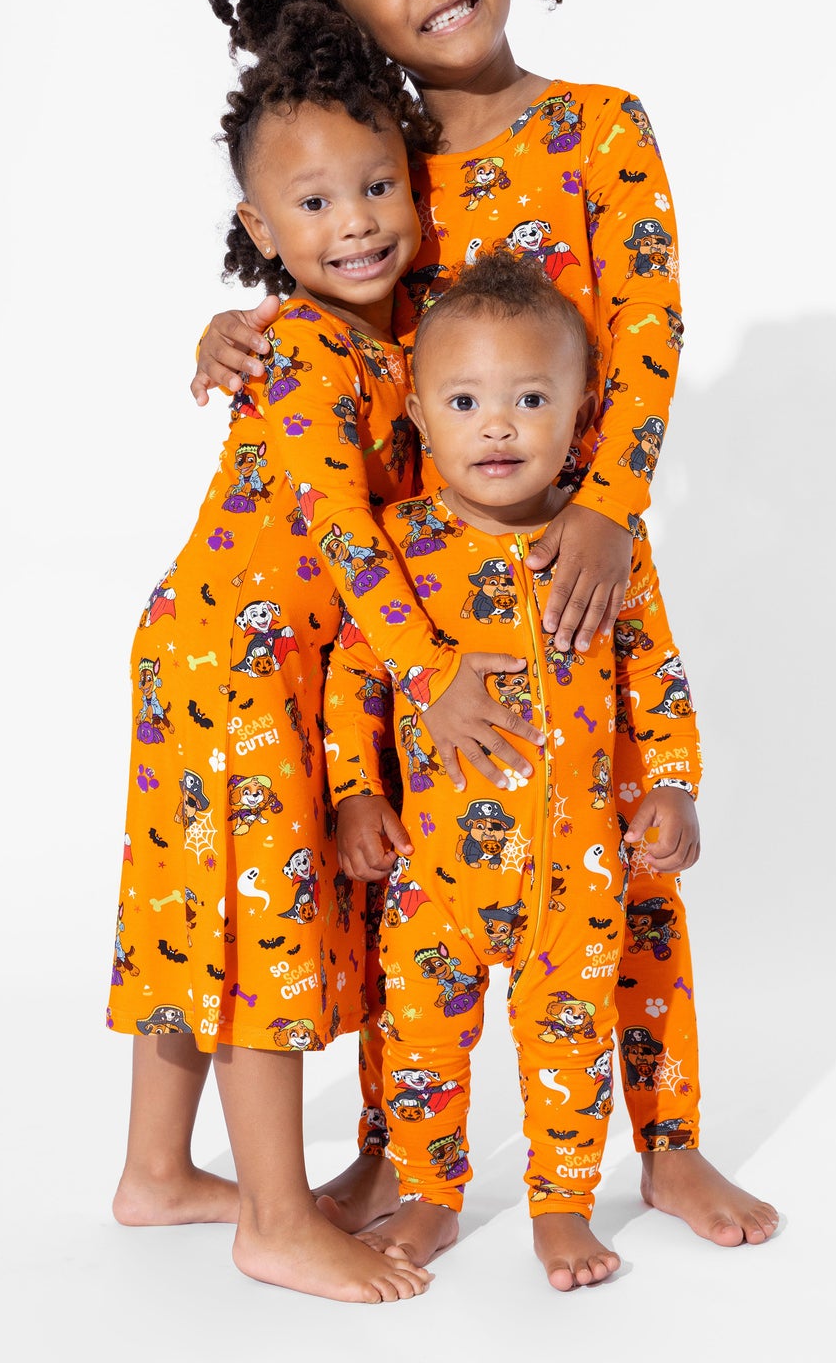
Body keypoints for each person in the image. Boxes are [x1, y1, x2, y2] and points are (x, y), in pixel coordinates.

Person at [196, 0, 777, 1247]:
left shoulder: (602, 127)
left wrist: (610, 507)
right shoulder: (382, 162)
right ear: (350, 15)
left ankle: (669, 1147)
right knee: (412, 889)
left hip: (579, 549)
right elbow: (328, 287)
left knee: (628, 872)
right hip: (424, 580)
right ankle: (410, 1159)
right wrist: (231, 329)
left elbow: (649, 329)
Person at [106, 2, 483, 1303]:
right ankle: (274, 1216)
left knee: (193, 915)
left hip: (222, 656)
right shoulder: (313, 347)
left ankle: (157, 1173)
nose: (358, 222)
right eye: (315, 204)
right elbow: (339, 533)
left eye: (378, 187)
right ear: (262, 233)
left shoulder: (387, 341)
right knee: (256, 926)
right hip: (235, 667)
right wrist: (431, 670)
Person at [325, 252, 705, 1290]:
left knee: (567, 1042)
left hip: (575, 868)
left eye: (530, 399)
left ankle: (563, 1207)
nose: (497, 426)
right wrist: (356, 794)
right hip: (432, 869)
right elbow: (355, 677)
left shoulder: (608, 548)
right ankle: (427, 1194)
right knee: (418, 1041)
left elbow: (655, 673)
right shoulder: (400, 549)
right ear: (419, 415)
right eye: (465, 402)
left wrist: (673, 782)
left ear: (580, 411)